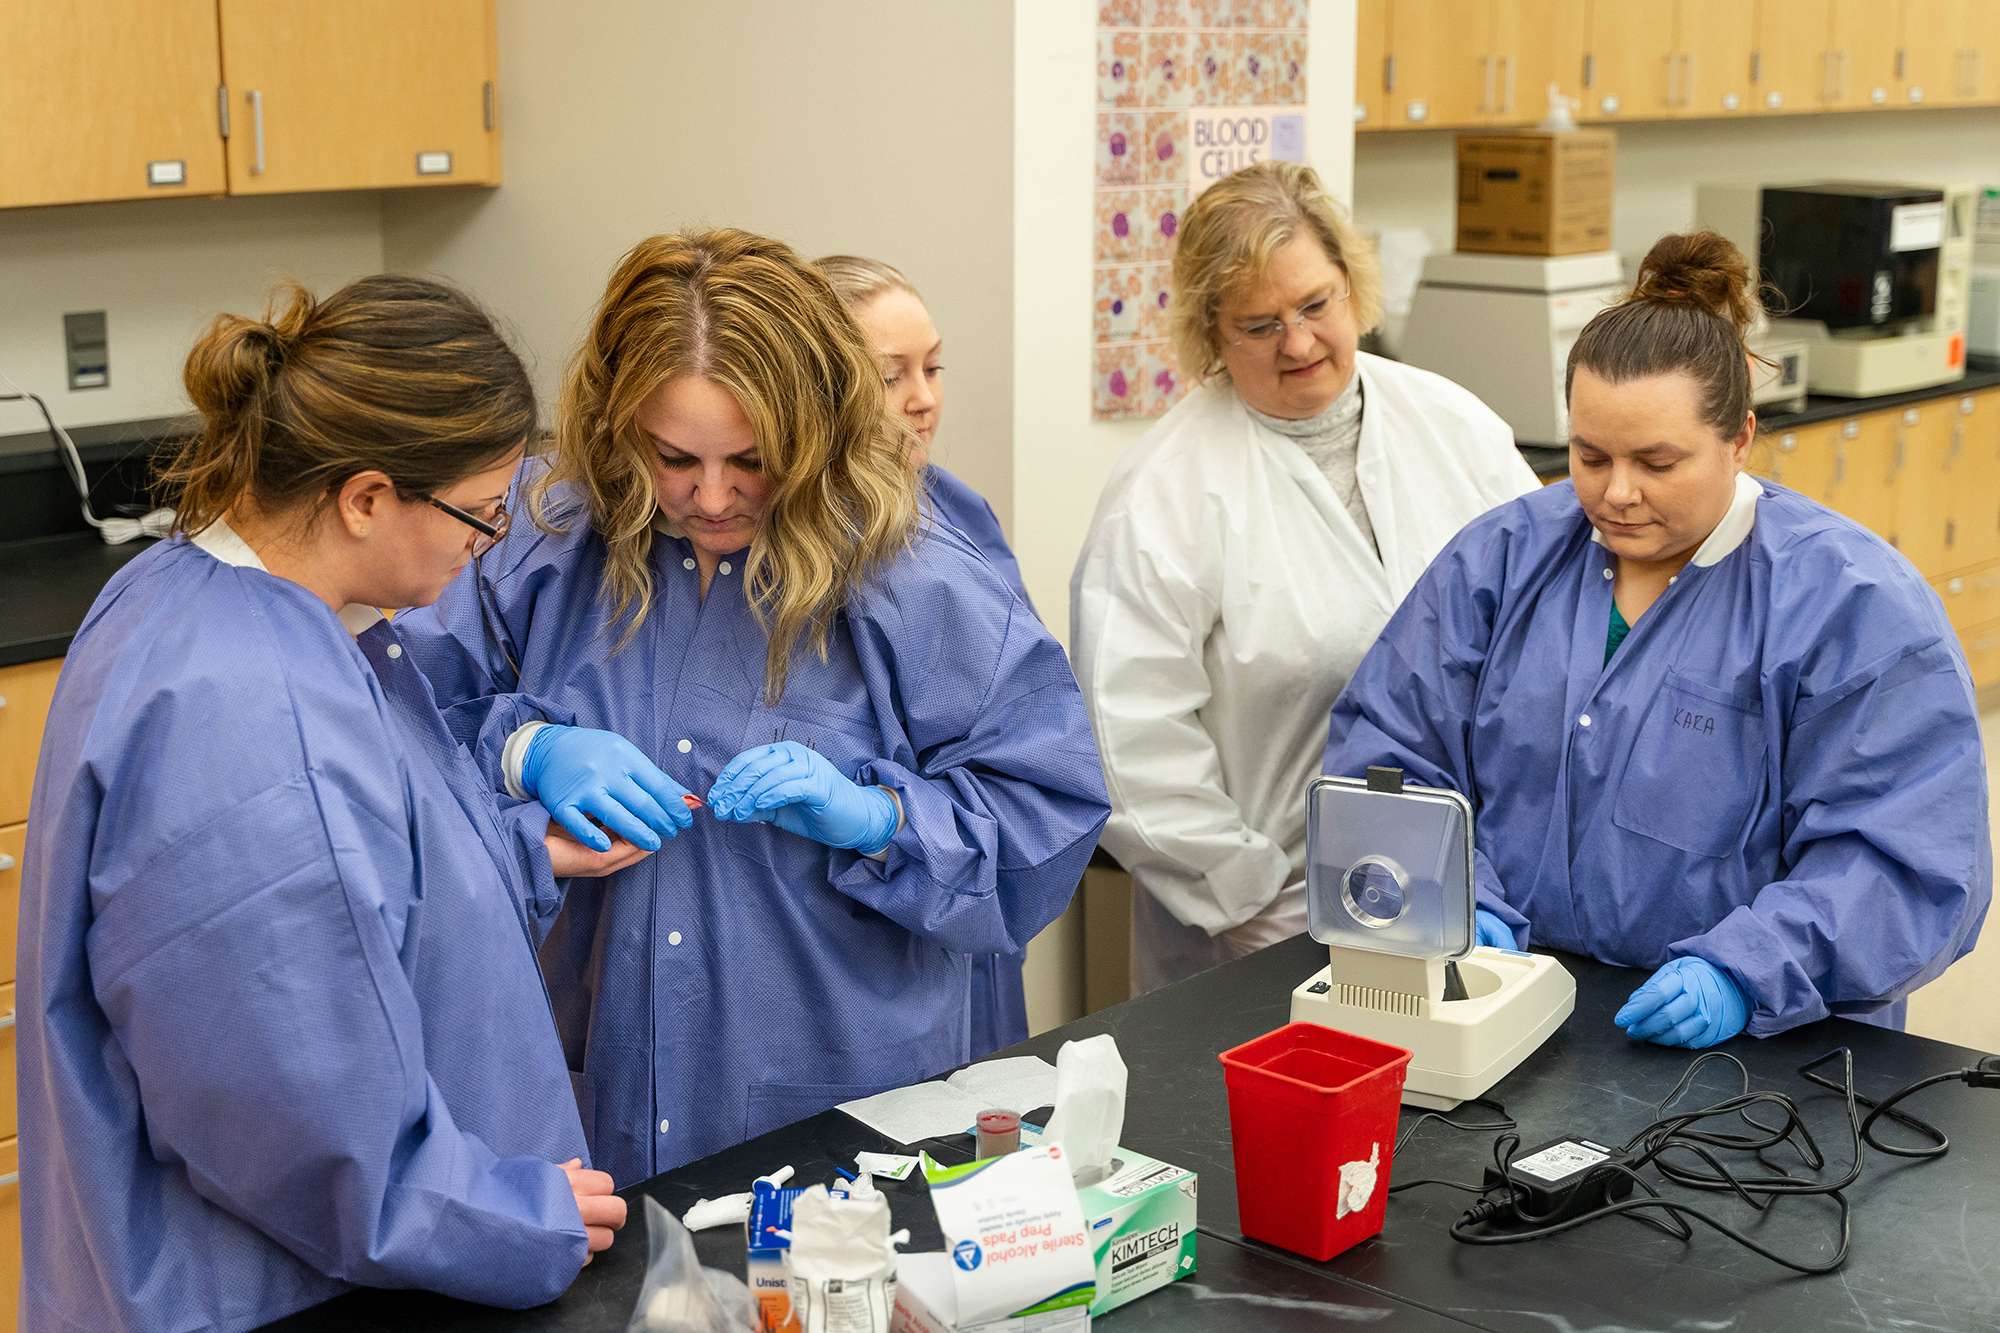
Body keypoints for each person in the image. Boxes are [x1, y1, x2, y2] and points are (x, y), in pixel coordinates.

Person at [397, 228, 1109, 1184]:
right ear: (618, 429)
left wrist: (878, 819)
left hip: (839, 1105)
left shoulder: (916, 568)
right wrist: (525, 751)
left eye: (754, 458)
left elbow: (1043, 811)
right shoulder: (546, 541)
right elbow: (394, 723)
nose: (714, 496)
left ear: (819, 431)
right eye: (674, 457)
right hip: (591, 1093)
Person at [19, 277, 634, 1333]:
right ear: (364, 497)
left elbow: (334, 903)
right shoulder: (252, 714)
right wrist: (508, 1213)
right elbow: (297, 1124)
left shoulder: (190, 592)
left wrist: (519, 853)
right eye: (481, 514)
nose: (485, 545)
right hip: (273, 1291)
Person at [1326, 231, 1991, 1047]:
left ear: (1740, 437)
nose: (1617, 493)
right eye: (1590, 455)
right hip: (1509, 1011)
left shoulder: (1852, 606)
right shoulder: (1502, 560)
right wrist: (1453, 899)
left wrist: (1746, 971)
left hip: (1767, 1050)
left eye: (1658, 460)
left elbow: (1907, 859)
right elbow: (1389, 753)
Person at [1071, 160, 1539, 993]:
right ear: (1211, 334)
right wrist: (1255, 902)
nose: (1298, 342)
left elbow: (1545, 629)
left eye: (1316, 305)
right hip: (1258, 927)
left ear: (1353, 286)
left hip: (1479, 891)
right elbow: (1129, 740)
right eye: (1258, 324)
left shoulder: (1456, 426)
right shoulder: (1164, 491)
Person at [817, 252, 1033, 1055]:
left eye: (934, 367)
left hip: (960, 885)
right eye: (891, 376)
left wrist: (897, 820)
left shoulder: (954, 516)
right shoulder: (785, 548)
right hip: (868, 942)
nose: (925, 399)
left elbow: (1018, 745)